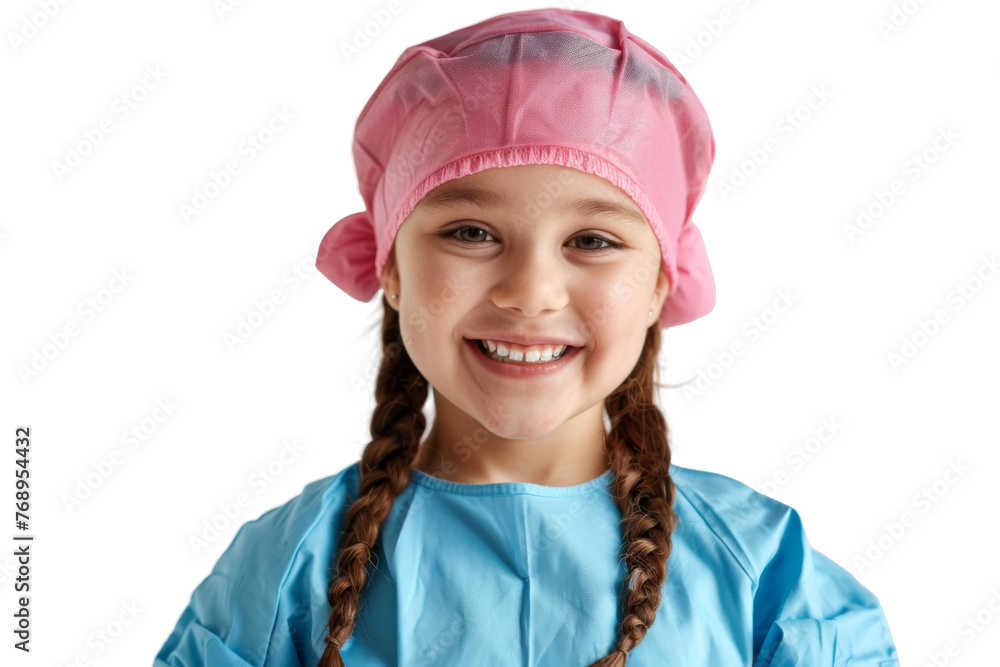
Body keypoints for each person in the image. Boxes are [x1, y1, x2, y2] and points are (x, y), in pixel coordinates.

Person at [154, 8, 900, 666]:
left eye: (593, 240)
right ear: (390, 265)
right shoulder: (286, 572)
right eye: (471, 232)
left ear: (661, 284)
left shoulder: (763, 578)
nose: (530, 291)